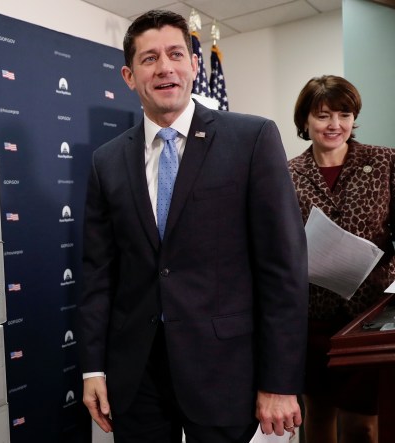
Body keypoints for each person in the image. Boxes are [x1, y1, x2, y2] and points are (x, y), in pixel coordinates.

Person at [76, 10, 308, 443]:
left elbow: (283, 269)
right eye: (149, 59)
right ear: (129, 75)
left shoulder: (252, 139)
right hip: (137, 376)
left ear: (194, 66)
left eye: (175, 54)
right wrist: (93, 367)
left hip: (224, 371)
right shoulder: (106, 160)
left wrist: (279, 379)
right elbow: (98, 274)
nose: (164, 67)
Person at [289, 75, 391, 443]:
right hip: (312, 317)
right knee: (317, 418)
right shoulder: (286, 173)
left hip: (367, 318)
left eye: (344, 114)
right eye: (323, 115)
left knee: (362, 425)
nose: (335, 125)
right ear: (305, 122)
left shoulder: (383, 161)